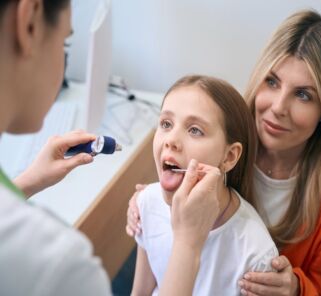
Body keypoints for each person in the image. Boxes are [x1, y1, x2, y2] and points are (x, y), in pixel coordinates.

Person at [126, 10, 321, 296]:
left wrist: (296, 289)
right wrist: (149, 204)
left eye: (303, 95)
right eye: (272, 82)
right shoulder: (221, 137)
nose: (278, 107)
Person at [0, 1, 222, 295]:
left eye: (194, 129)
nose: (170, 140)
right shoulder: (60, 267)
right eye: (65, 44)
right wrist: (188, 245)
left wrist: (26, 183)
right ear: (29, 24)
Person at [131, 75, 278, 295]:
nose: (171, 139)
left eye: (195, 130)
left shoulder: (256, 255)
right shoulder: (146, 204)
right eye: (166, 124)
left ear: (229, 157)